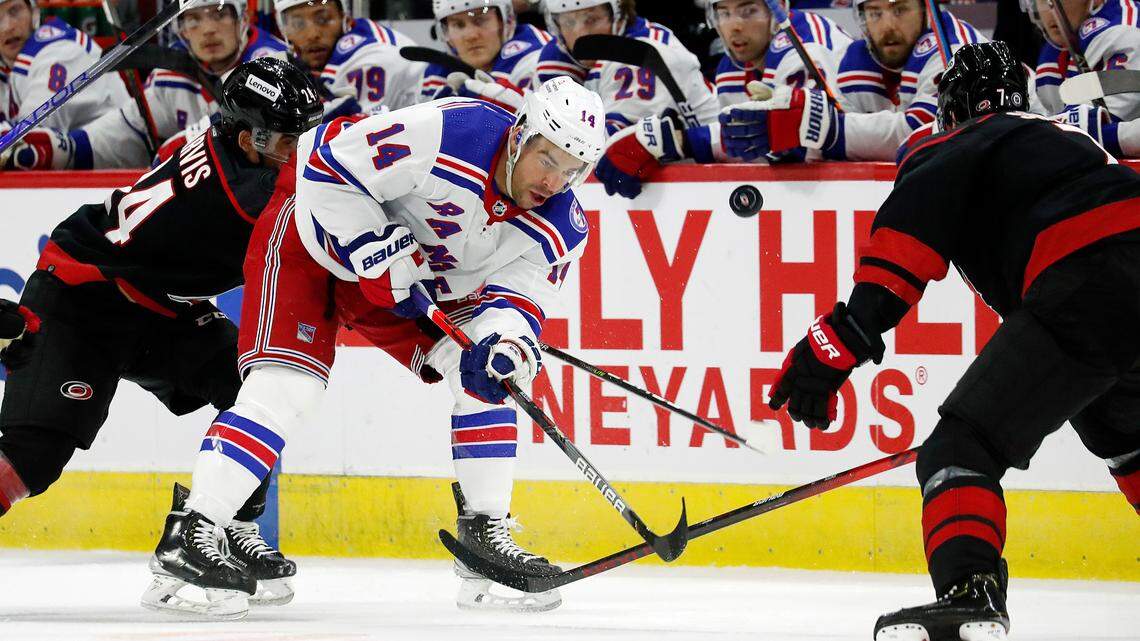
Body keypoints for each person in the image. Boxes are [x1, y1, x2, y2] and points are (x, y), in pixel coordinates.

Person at [147, 76, 606, 617]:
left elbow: (516, 303)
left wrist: (504, 344)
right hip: (310, 237)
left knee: (488, 376)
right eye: (548, 160)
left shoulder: (561, 227)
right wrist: (367, 240)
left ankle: (485, 533)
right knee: (287, 390)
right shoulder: (451, 131)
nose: (556, 181)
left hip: (402, 282)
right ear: (520, 136)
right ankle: (194, 530)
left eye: (574, 170)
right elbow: (321, 159)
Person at [766, 42, 1140, 641]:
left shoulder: (956, 144)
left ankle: (971, 591)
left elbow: (899, 255)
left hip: (1085, 286)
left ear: (953, 108)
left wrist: (831, 349)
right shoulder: (1071, 142)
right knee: (1134, 450)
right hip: (1116, 283)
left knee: (960, 449)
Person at [0, 57, 323, 615]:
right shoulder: (247, 194)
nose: (305, 148)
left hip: (163, 309)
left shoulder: (242, 156)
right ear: (249, 137)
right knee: (32, 458)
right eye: (292, 139)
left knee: (256, 394)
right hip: (85, 298)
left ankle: (219, 527)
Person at [593, 0, 852, 198]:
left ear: (779, 9)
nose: (734, 25)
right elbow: (748, 153)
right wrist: (674, 150)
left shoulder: (803, 44)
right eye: (724, 13)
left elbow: (804, 144)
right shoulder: (732, 64)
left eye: (748, 10)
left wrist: (679, 141)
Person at [1, 0, 288, 169]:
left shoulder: (272, 63)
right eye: (194, 19)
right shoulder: (175, 73)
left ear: (243, 19)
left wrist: (172, 155)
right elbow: (125, 133)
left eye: (219, 14)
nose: (208, 29)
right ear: (181, 29)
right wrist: (60, 149)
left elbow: (232, 130)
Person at [718, 0, 987, 162]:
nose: (888, 26)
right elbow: (833, 133)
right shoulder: (857, 58)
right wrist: (788, 136)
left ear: (925, 10)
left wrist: (821, 129)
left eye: (900, 9)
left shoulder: (954, 48)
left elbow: (930, 133)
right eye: (875, 13)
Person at [532, 0, 720, 198]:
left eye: (592, 19)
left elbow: (607, 150)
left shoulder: (641, 51)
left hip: (707, 180)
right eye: (569, 23)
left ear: (619, 13)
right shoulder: (558, 57)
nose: (580, 33)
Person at [274, 0, 424, 115]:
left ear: (344, 16)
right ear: (283, 28)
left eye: (323, 19)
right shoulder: (295, 60)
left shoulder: (372, 55)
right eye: (298, 24)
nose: (313, 34)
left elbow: (363, 136)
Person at [0, 0, 128, 131]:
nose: (7, 27)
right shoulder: (8, 63)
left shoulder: (59, 50)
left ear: (33, 11)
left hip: (117, 147)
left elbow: (30, 138)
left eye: (15, 11)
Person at [421, 0, 552, 112]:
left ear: (505, 21)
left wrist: (521, 108)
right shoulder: (437, 72)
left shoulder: (537, 56)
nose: (471, 35)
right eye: (458, 25)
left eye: (480, 20)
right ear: (445, 32)